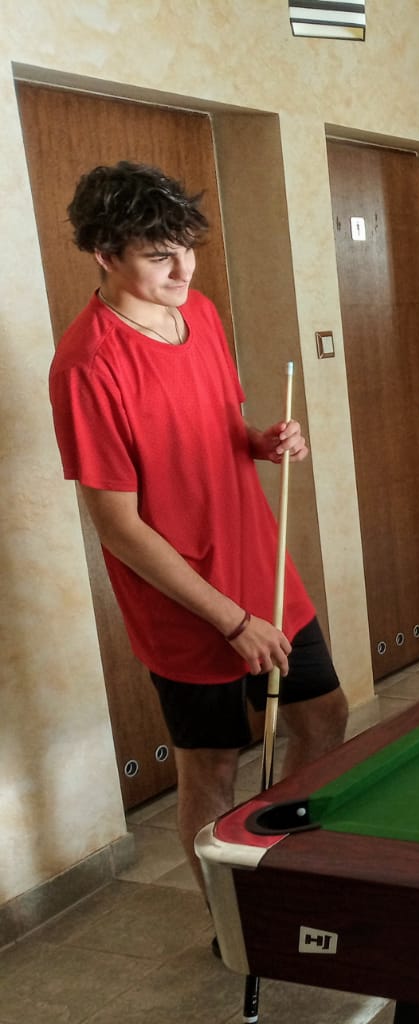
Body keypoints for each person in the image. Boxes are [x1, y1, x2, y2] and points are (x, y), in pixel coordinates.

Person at [48, 161, 349, 895]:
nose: (184, 269)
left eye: (187, 248)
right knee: (212, 764)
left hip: (261, 570)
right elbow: (117, 526)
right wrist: (231, 621)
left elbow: (217, 425)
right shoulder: (87, 366)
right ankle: (231, 922)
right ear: (105, 254)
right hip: (186, 603)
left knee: (324, 716)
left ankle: (291, 876)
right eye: (160, 256)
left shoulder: (200, 314)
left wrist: (263, 441)